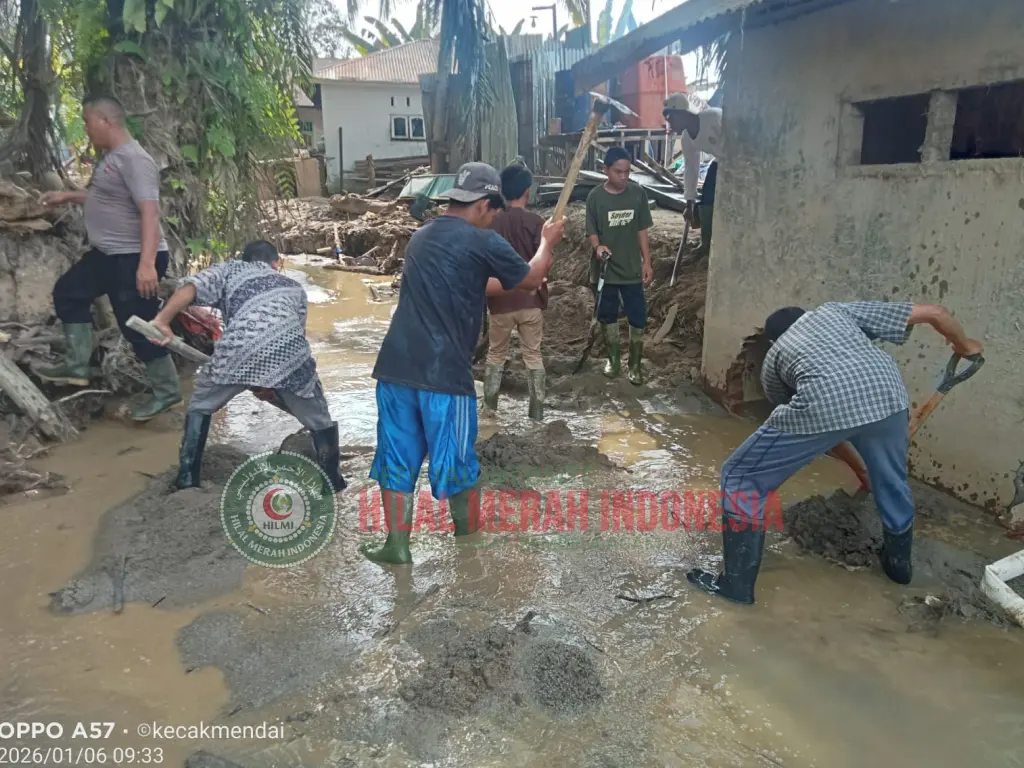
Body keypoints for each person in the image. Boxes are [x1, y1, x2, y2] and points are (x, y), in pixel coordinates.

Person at [686, 301, 984, 605]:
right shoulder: (835, 312)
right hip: (889, 395)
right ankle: (899, 569)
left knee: (742, 477)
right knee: (892, 481)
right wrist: (965, 346)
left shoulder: (775, 357)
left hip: (824, 402)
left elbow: (820, 428)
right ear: (807, 315)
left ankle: (736, 587)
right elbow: (935, 313)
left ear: (773, 341)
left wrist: (856, 465)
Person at [364, 162, 565, 565]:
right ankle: (468, 547)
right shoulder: (482, 240)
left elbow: (473, 282)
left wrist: (519, 275)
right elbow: (531, 278)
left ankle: (397, 547)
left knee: (396, 459)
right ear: (483, 205)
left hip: (396, 368)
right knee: (457, 461)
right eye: (493, 211)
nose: (493, 218)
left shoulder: (421, 237)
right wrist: (547, 243)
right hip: (445, 373)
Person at [150, 240, 345, 493]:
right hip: (290, 355)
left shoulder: (230, 269)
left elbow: (191, 286)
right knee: (320, 419)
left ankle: (187, 480)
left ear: (245, 259)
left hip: (237, 350)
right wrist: (272, 383)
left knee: (200, 407)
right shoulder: (294, 287)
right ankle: (332, 483)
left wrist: (162, 320)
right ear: (276, 264)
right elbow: (291, 335)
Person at [38, 95, 182, 421]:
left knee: (138, 327)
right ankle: (77, 366)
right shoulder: (114, 158)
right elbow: (105, 197)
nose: (86, 129)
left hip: (134, 259)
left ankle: (167, 391)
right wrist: (67, 195)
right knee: (69, 292)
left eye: (87, 122)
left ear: (105, 121)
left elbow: (150, 211)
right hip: (108, 256)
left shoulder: (135, 160)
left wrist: (146, 265)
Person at [483, 162, 548, 420]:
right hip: (531, 301)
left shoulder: (492, 222)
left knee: (495, 354)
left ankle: (489, 410)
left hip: (500, 302)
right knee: (533, 355)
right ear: (527, 192)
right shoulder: (537, 223)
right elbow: (545, 261)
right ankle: (537, 414)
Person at [585, 146, 654, 386]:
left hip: (632, 267)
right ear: (606, 170)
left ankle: (635, 365)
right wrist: (598, 247)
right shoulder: (595, 197)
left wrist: (647, 261)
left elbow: (642, 230)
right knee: (607, 314)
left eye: (627, 172)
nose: (623, 177)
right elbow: (591, 229)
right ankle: (613, 361)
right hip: (607, 270)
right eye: (618, 172)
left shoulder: (637, 194)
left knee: (638, 315)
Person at [663, 92, 723, 258]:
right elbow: (691, 169)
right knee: (707, 196)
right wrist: (689, 204)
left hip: (739, 161)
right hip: (720, 161)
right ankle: (706, 243)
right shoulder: (686, 139)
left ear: (683, 113)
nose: (669, 122)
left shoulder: (714, 118)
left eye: (670, 117)